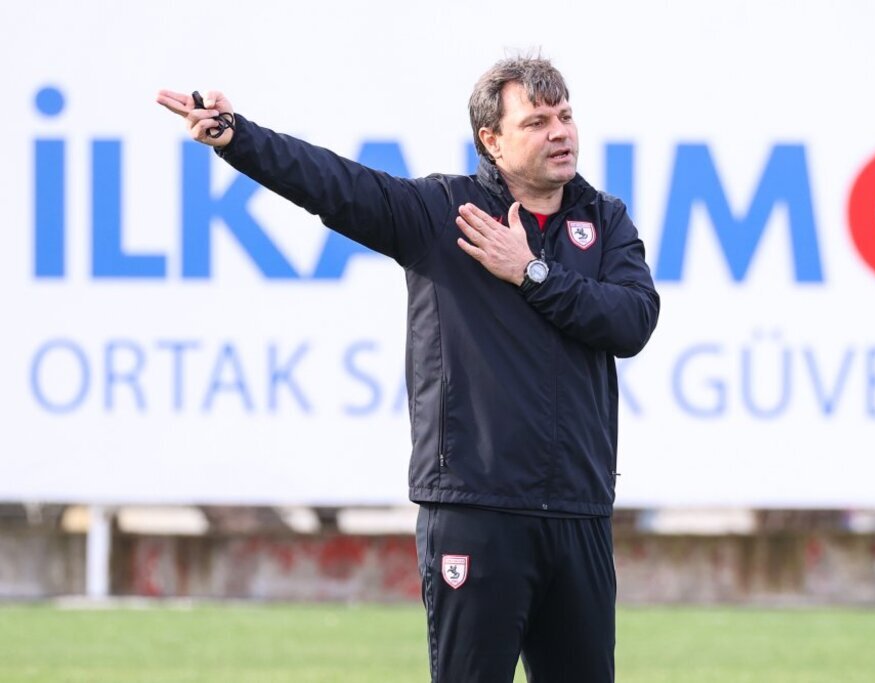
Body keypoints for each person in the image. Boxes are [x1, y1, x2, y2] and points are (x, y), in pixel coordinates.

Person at [157, 56, 659, 683]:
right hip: (477, 511)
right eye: (536, 122)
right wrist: (238, 137)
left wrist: (530, 271)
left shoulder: (604, 219)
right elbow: (333, 184)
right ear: (491, 140)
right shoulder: (440, 213)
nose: (560, 133)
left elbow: (632, 322)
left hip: (579, 512)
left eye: (565, 116)